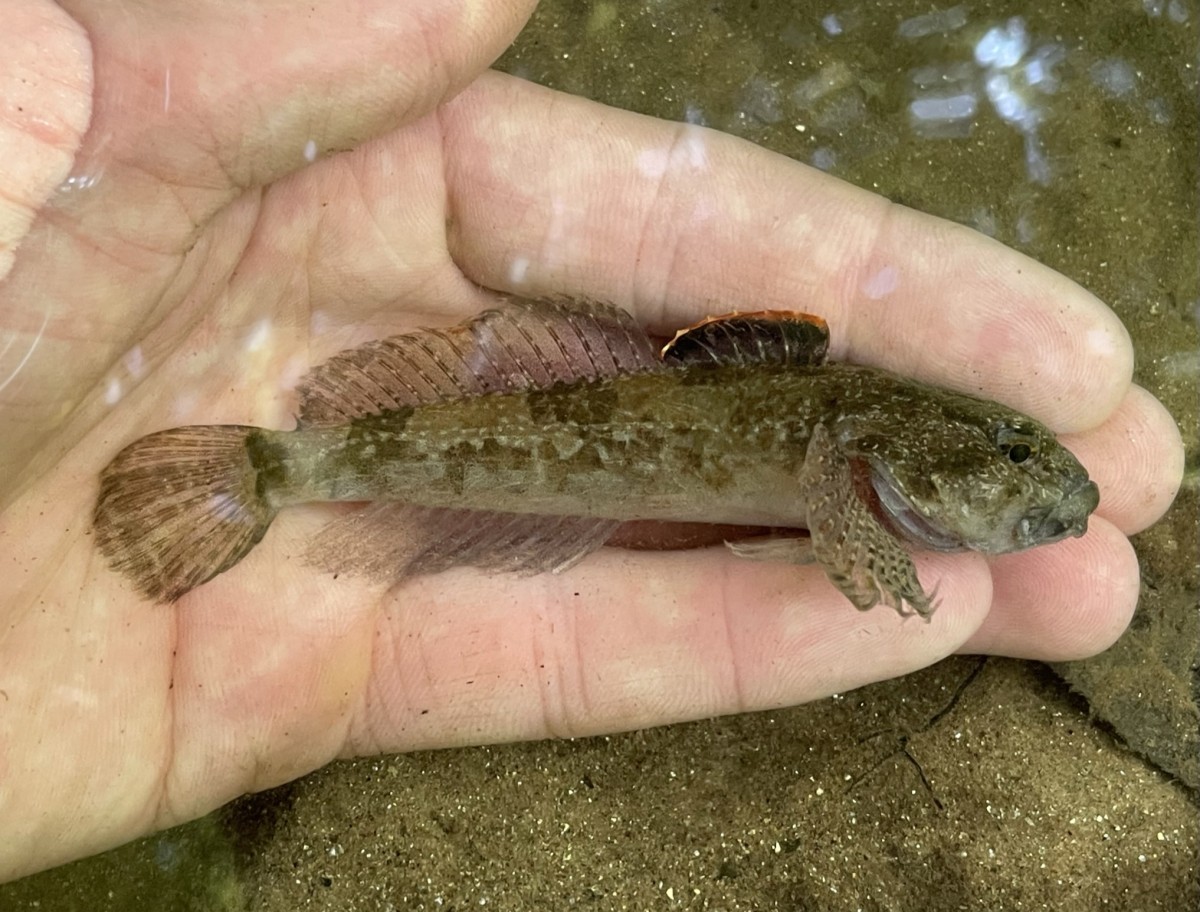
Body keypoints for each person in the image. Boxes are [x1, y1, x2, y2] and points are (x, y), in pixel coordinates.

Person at [0, 0, 1181, 884]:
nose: (1040, 492)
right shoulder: (852, 438)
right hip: (466, 442)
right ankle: (276, 473)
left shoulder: (862, 437)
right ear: (921, 441)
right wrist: (860, 551)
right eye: (1019, 462)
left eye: (1031, 480)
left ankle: (288, 477)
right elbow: (836, 478)